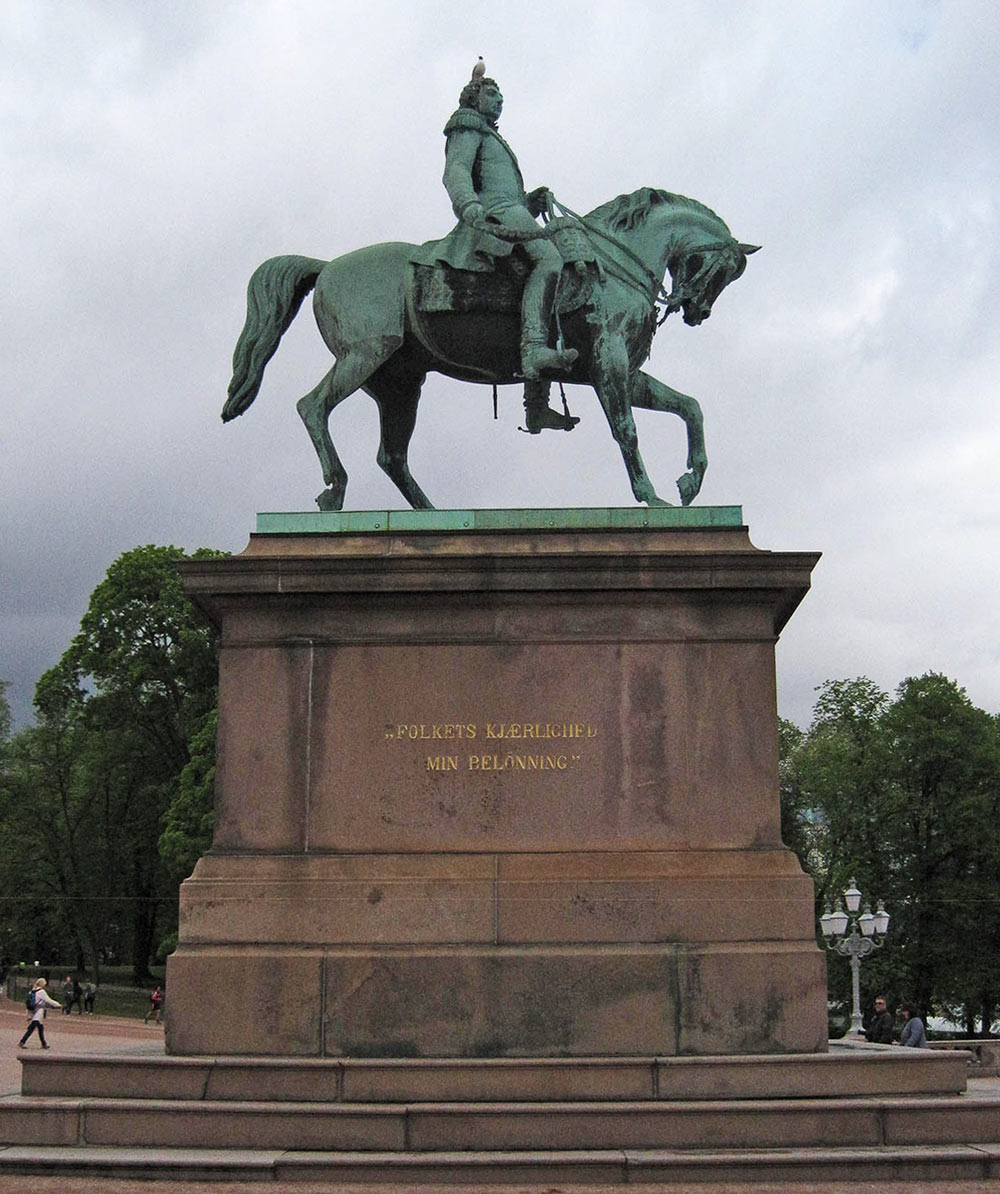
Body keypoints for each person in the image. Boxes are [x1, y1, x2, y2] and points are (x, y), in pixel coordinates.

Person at [414, 62, 579, 431]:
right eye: (492, 93)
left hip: (512, 210)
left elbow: (500, 185)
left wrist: (529, 201)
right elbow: (456, 170)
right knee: (550, 260)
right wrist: (468, 204)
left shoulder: (490, 135)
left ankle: (536, 405)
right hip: (495, 212)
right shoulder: (467, 125)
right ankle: (533, 348)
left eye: (501, 95)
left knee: (550, 284)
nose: (500, 99)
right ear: (474, 97)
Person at [19, 978, 61, 1049]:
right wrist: (58, 1005)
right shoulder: (41, 992)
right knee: (33, 1027)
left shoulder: (32, 991)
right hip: (39, 1010)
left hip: (32, 1010)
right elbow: (48, 1000)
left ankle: (43, 1043)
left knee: (40, 1027)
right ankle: (22, 1041)